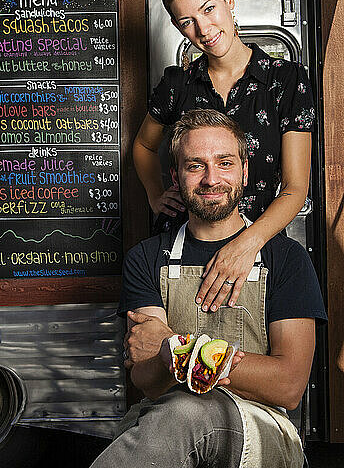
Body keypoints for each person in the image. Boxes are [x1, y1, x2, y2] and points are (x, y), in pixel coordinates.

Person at [91, 109, 326, 468]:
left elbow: (288, 386)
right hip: (165, 422)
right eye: (195, 165)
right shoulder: (147, 258)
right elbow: (146, 379)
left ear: (245, 172)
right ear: (176, 176)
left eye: (225, 163)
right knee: (179, 412)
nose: (211, 179)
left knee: (186, 410)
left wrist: (177, 348)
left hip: (259, 428)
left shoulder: (286, 258)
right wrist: (187, 359)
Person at [133, 0, 314, 313]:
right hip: (184, 247)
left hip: (257, 246)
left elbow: (295, 189)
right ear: (177, 27)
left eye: (208, 9)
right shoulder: (177, 84)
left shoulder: (286, 80)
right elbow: (142, 146)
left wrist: (246, 245)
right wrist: (156, 194)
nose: (203, 28)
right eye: (187, 21)